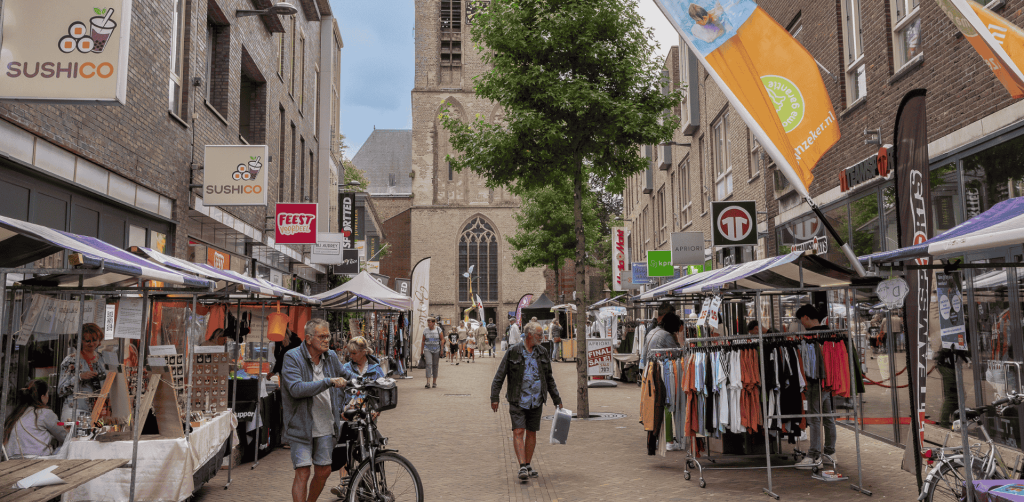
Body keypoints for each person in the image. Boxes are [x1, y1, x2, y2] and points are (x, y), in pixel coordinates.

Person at [281, 319, 349, 502]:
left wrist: (368, 379)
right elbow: (296, 389)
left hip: (325, 423)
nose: (326, 340)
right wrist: (328, 381)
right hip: (300, 425)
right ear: (309, 339)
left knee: (324, 471)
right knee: (302, 472)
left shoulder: (331, 357)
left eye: (328, 336)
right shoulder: (292, 357)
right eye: (322, 336)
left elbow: (345, 376)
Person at [490, 322, 562, 481]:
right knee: (518, 431)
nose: (542, 338)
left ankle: (527, 464)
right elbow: (499, 376)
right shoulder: (513, 352)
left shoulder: (543, 352)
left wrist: (557, 399)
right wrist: (494, 397)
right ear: (529, 335)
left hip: (536, 400)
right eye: (539, 335)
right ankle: (522, 466)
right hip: (517, 399)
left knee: (531, 432)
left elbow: (549, 378)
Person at [331, 336, 386, 498]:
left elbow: (382, 391)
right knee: (347, 445)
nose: (351, 356)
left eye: (354, 353)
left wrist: (378, 409)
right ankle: (344, 484)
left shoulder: (376, 369)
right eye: (350, 353)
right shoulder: (346, 368)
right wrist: (341, 410)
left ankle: (368, 483)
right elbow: (338, 392)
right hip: (350, 413)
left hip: (368, 414)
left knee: (368, 447)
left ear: (363, 352)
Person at [793, 304, 837, 470]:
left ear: (805, 317)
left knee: (814, 417)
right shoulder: (830, 332)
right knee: (828, 417)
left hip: (814, 380)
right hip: (829, 381)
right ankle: (830, 451)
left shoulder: (811, 336)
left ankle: (814, 455)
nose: (801, 324)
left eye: (801, 320)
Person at [3, 380, 67, 458]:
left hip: (11, 458)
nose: (48, 397)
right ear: (42, 397)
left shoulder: (16, 413)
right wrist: (68, 430)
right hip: (35, 459)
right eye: (47, 394)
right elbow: (63, 437)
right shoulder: (44, 413)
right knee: (64, 450)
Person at [58, 323, 107, 421]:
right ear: (80, 341)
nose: (92, 344)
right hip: (74, 411)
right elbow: (60, 390)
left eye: (95, 340)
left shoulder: (102, 359)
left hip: (98, 411)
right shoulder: (71, 360)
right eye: (87, 341)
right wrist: (79, 377)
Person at [420, 317, 443, 389]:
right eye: (428, 322)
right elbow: (423, 341)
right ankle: (428, 382)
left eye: (429, 322)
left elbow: (442, 340)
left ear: (433, 323)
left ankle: (434, 382)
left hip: (436, 349)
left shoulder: (438, 329)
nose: (428, 324)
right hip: (428, 349)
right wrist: (422, 350)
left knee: (435, 365)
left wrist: (441, 350)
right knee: (428, 364)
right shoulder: (425, 330)